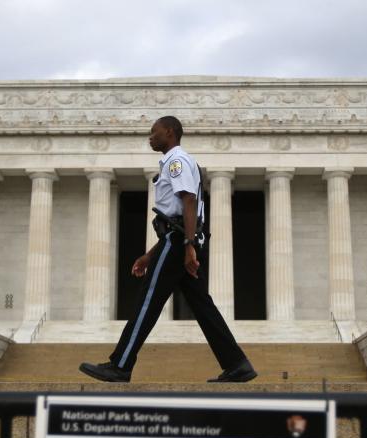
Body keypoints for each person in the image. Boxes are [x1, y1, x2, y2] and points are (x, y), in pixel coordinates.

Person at [79, 116, 257, 383]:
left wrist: (187, 246)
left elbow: (188, 201)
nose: (150, 137)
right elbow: (175, 215)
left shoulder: (177, 161)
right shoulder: (175, 161)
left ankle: (120, 364)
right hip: (177, 239)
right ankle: (237, 364)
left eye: (155, 132)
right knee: (202, 306)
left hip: (178, 242)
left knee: (148, 301)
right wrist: (150, 255)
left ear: (170, 133)